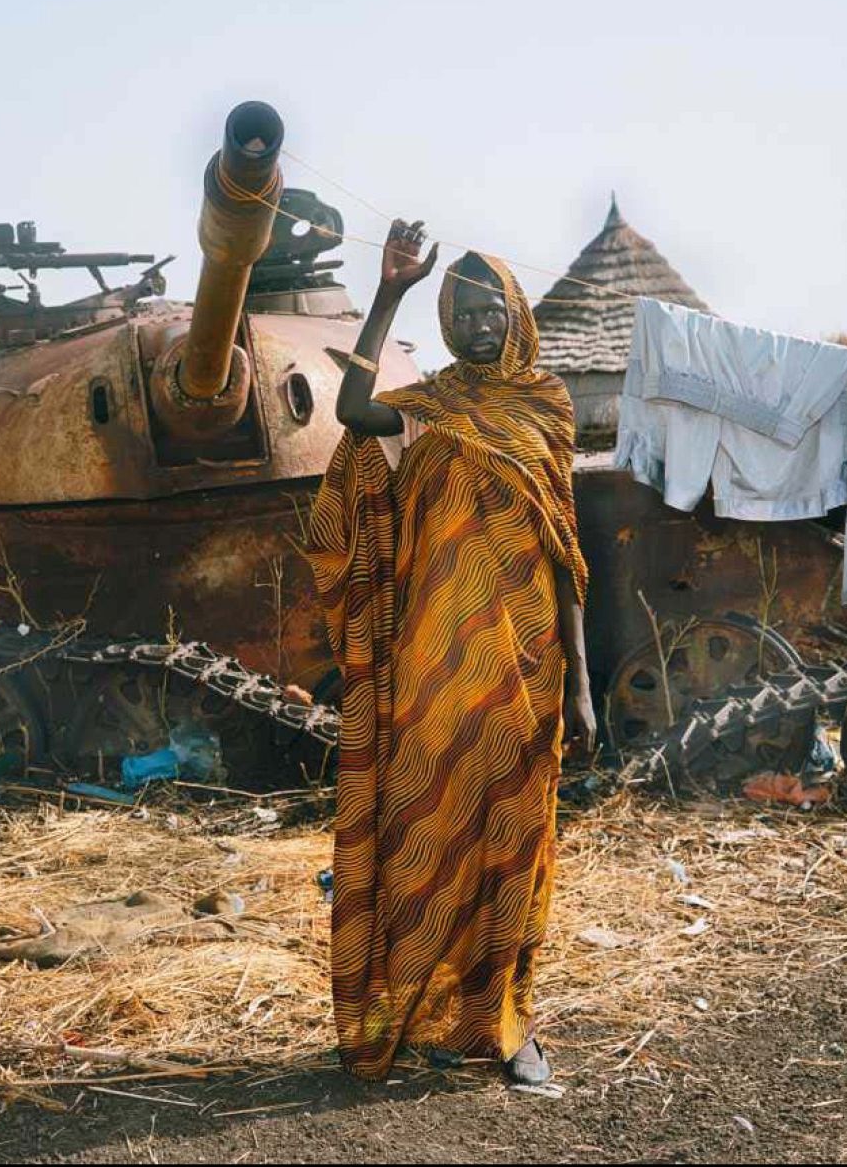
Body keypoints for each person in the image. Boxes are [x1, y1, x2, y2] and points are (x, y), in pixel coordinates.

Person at [306, 219, 595, 1086]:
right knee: (424, 828)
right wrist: (387, 289)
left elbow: (567, 549)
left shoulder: (545, 404)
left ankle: (503, 1021)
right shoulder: (430, 404)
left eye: (488, 309)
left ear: (515, 314)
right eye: (458, 310)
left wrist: (582, 682)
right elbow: (355, 412)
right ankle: (407, 1015)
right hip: (435, 661)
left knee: (514, 836)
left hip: (529, 656)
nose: (474, 324)